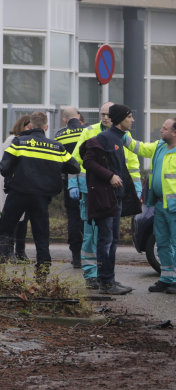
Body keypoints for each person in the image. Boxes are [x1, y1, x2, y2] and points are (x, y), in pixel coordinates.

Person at [0, 111, 80, 275]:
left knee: (6, 228)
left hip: (18, 193)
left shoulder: (19, 142)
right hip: (41, 197)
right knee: (41, 233)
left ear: (30, 126)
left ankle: (0, 263)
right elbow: (75, 167)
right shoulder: (56, 147)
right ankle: (43, 267)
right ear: (46, 127)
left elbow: (4, 168)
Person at [70, 102, 141, 289]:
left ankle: (108, 279)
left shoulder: (120, 138)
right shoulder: (104, 137)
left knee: (113, 240)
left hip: (116, 198)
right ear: (120, 119)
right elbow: (87, 160)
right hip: (105, 198)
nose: (132, 120)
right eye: (129, 117)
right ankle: (106, 283)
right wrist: (110, 176)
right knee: (105, 240)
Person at [122, 118, 176, 294]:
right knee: (162, 243)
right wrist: (122, 134)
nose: (161, 130)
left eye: (165, 128)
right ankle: (167, 278)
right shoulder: (160, 146)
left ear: (174, 132)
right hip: (160, 204)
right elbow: (140, 148)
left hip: (174, 207)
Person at [55, 107, 87, 268]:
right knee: (88, 217)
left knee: (73, 218)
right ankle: (89, 253)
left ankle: (76, 256)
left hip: (69, 182)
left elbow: (58, 161)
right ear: (79, 117)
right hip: (88, 181)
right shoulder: (88, 131)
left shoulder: (59, 135)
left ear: (64, 120)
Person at [0, 115, 32, 261]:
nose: (30, 129)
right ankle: (8, 251)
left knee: (23, 221)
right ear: (21, 126)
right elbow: (7, 163)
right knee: (12, 220)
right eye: (28, 127)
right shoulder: (12, 140)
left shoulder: (25, 140)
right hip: (11, 185)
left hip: (22, 185)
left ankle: (20, 251)